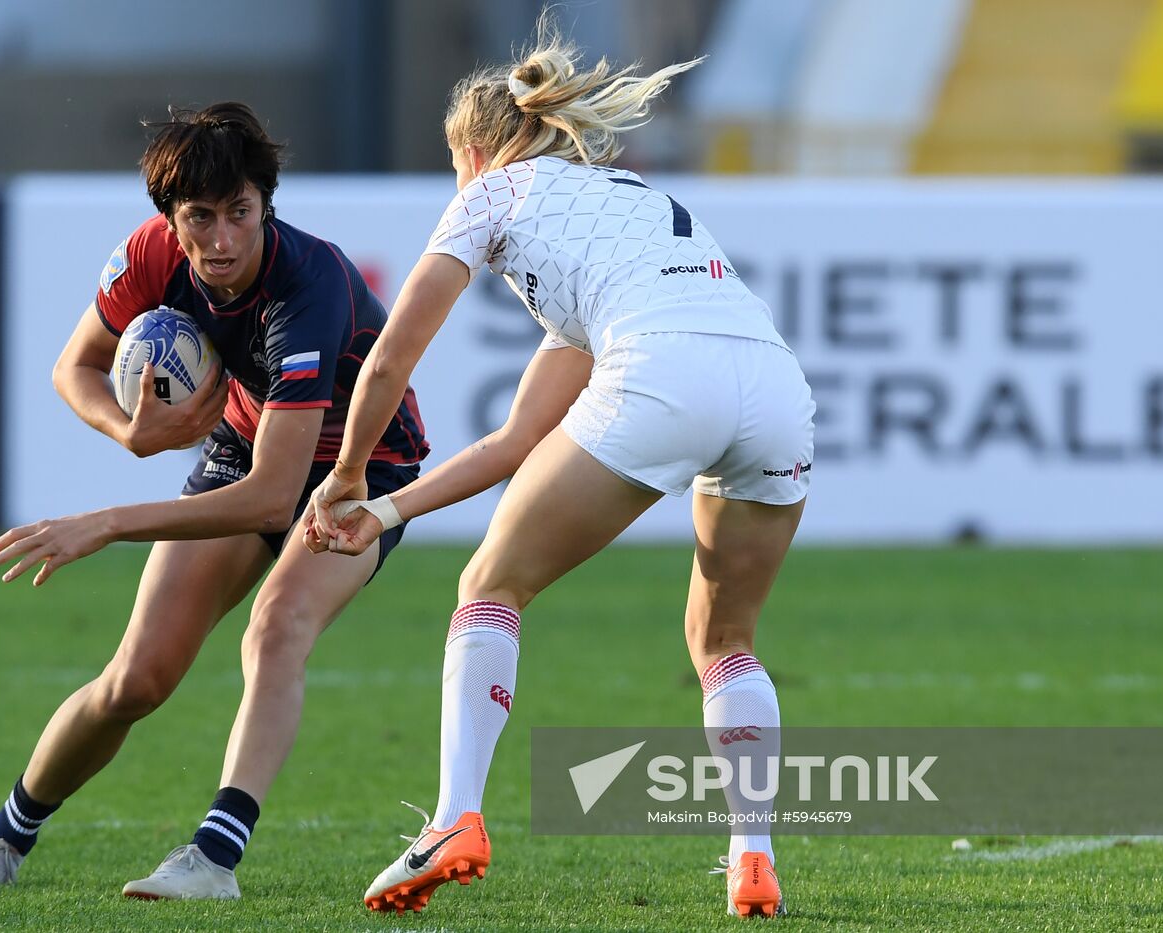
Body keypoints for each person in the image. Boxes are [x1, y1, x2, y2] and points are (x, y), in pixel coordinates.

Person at [307, 24, 812, 920]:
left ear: (471, 149)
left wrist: (345, 474)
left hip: (665, 367)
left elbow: (388, 360)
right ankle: (753, 856)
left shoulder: (490, 191)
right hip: (774, 384)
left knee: (489, 586)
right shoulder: (615, 209)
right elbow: (512, 445)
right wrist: (384, 514)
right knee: (726, 639)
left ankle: (455, 816)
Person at [0, 101, 429, 900]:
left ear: (266, 202)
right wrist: (128, 435)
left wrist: (106, 521)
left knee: (276, 628)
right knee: (137, 678)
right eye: (202, 217)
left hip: (363, 473)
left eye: (240, 211)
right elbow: (77, 368)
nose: (223, 239)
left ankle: (213, 859)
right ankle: (4, 838)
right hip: (244, 447)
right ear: (172, 217)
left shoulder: (307, 286)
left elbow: (276, 500)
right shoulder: (151, 254)